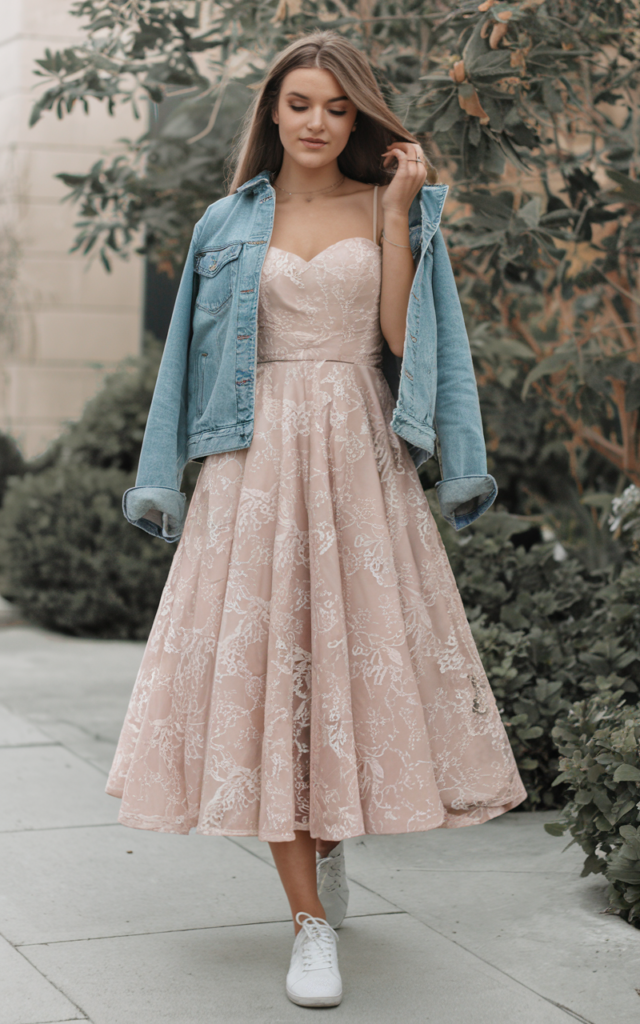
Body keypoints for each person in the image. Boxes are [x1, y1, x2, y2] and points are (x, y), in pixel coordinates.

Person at [106, 29, 527, 1009]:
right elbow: (182, 370)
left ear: (361, 117)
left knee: (350, 681)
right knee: (261, 685)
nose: (316, 122)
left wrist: (393, 212)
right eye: (300, 103)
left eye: (337, 107)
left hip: (356, 462)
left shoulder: (395, 206)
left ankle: (324, 839)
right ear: (272, 110)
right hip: (250, 465)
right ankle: (307, 922)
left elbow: (399, 339)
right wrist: (165, 476)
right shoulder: (224, 222)